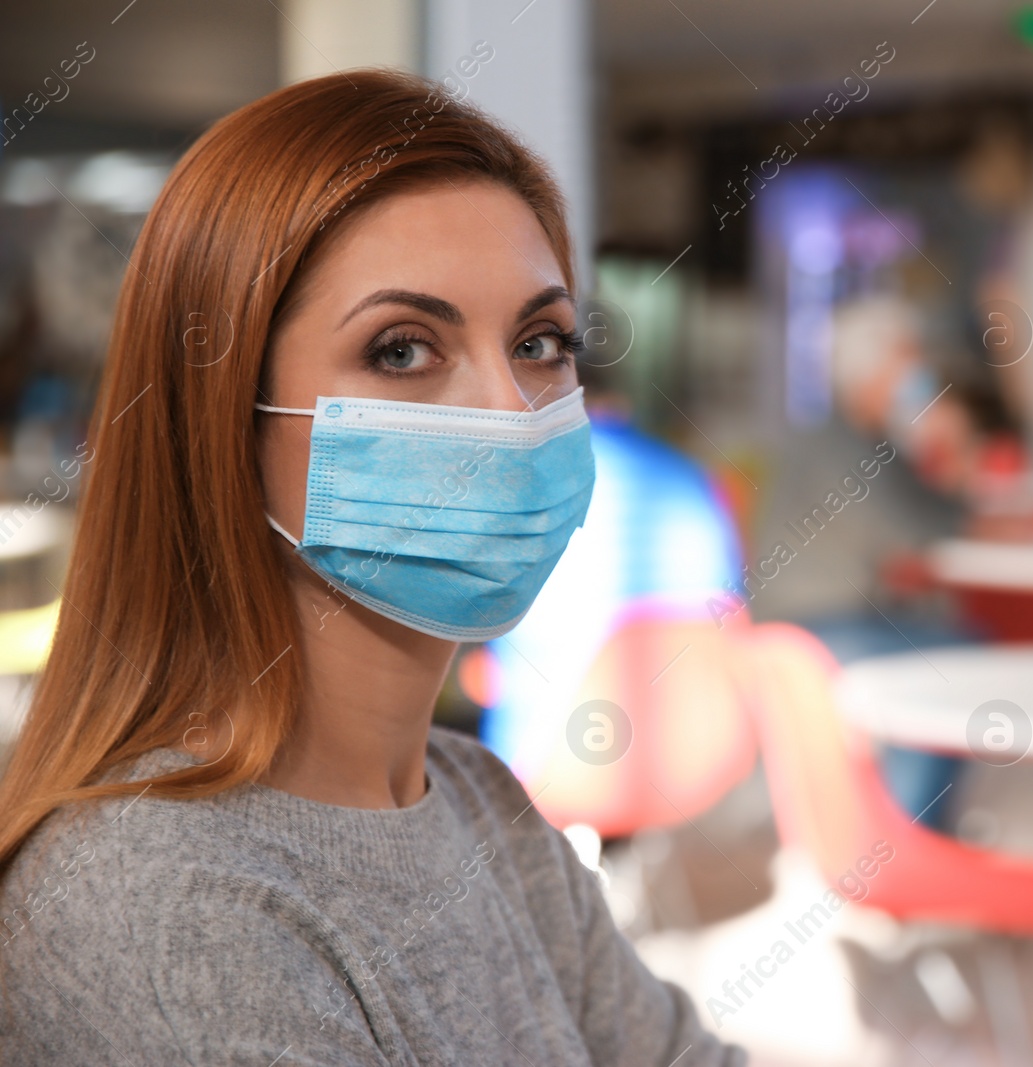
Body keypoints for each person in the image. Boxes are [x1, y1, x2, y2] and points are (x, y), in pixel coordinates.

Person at [0, 70, 743, 1066]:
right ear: (224, 414)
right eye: (402, 349)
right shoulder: (168, 901)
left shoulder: (480, 801)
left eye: (540, 341)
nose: (509, 413)